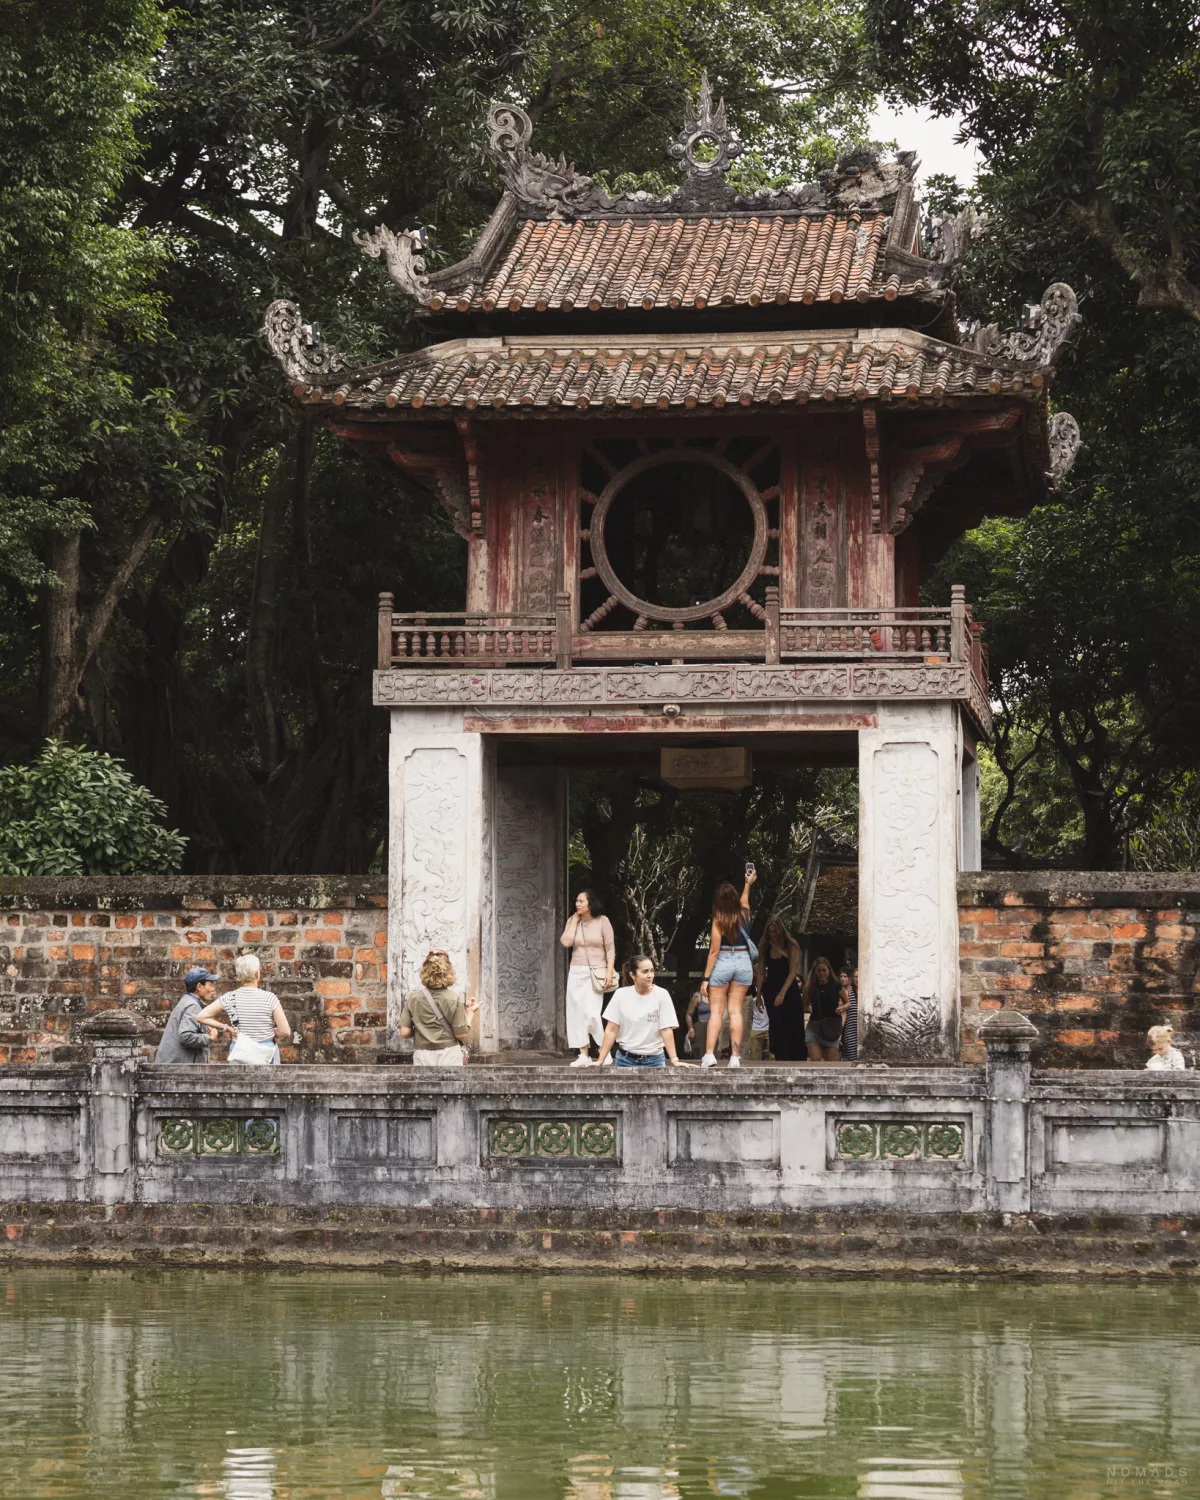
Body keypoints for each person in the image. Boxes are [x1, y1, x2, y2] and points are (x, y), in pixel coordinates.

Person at [588, 956, 692, 1069]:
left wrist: (674, 1060)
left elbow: (666, 1029)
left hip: (655, 1060)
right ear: (632, 975)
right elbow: (611, 1029)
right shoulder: (621, 994)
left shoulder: (662, 995)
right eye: (645, 971)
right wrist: (600, 1060)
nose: (650, 975)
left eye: (652, 971)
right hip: (625, 1059)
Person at [699, 871, 756, 1069]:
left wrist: (705, 978)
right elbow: (745, 900)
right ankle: (735, 1058)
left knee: (716, 1012)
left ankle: (709, 1055)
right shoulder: (745, 914)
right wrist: (748, 883)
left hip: (723, 959)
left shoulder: (718, 920)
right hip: (743, 962)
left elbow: (713, 951)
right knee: (736, 1011)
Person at [196, 951, 291, 1064]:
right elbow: (285, 1031)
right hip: (266, 1054)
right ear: (257, 974)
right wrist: (268, 1032)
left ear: (240, 976)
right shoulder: (269, 998)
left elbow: (201, 1017)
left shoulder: (230, 997)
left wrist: (227, 1028)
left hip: (239, 1053)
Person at [559, 890, 615, 1067]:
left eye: (581, 901)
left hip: (597, 972)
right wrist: (574, 921)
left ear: (591, 903)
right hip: (576, 971)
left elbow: (610, 949)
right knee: (576, 1013)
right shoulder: (573, 921)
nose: (577, 904)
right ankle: (583, 1053)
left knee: (591, 1013)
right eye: (576, 900)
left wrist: (609, 972)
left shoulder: (603, 921)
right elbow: (566, 942)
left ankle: (603, 1050)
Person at [398, 949, 481, 1067]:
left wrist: (422, 1029)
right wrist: (470, 1013)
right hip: (449, 1052)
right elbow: (460, 1034)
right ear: (448, 973)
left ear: (424, 972)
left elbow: (404, 1033)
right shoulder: (454, 998)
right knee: (451, 1085)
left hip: (422, 1053)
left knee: (424, 1085)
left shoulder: (414, 998)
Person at [155, 966, 232, 1063]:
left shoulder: (187, 1001)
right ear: (199, 986)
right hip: (177, 1069)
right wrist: (209, 1038)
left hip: (173, 1065)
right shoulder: (193, 1006)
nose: (213, 989)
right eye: (210, 985)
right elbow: (185, 1036)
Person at [756, 918, 803, 1060]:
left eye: (775, 932)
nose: (773, 935)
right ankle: (780, 1057)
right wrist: (758, 996)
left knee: (792, 1024)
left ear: (780, 930)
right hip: (771, 987)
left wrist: (782, 993)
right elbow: (761, 972)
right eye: (770, 933)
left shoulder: (791, 945)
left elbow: (793, 971)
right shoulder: (765, 946)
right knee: (776, 1025)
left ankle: (795, 1058)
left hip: (789, 988)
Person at [802, 956, 848, 1062]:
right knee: (815, 1059)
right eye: (818, 971)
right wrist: (812, 1010)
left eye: (824, 970)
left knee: (831, 1063)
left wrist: (843, 1008)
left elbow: (847, 1003)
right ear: (815, 972)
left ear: (828, 971)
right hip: (815, 1027)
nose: (821, 973)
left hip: (831, 1028)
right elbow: (804, 1005)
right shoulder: (810, 986)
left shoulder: (836, 985)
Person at [840, 966, 859, 1061]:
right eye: (855, 977)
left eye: (859, 976)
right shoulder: (847, 993)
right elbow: (843, 1014)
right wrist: (839, 1033)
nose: (857, 979)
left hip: (862, 1031)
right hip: (851, 1031)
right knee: (852, 1060)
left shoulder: (865, 992)